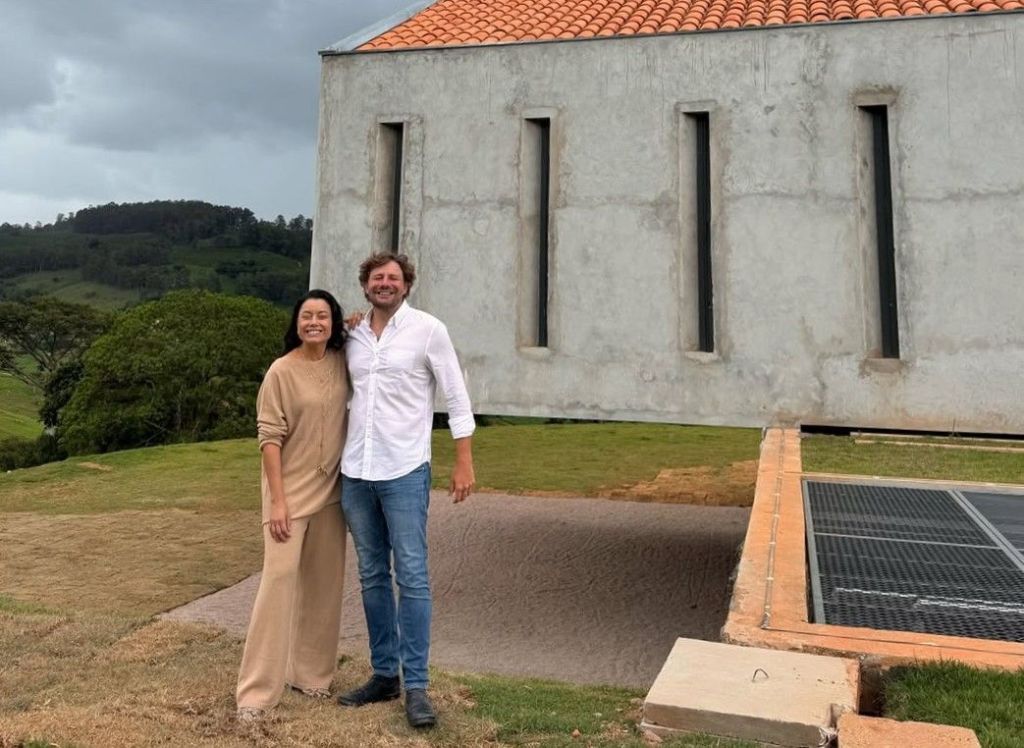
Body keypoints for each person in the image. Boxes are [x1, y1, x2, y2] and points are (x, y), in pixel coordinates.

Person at [337, 252, 476, 729]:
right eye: (377, 277)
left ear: (407, 285)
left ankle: (416, 685)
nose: (385, 283)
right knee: (372, 575)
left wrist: (463, 460)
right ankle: (383, 675)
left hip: (404, 470)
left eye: (393, 278)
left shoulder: (429, 330)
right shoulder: (351, 334)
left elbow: (456, 395)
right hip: (355, 472)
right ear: (365, 285)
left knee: (412, 576)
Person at [236, 289, 350, 723]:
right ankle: (256, 693)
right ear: (297, 323)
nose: (315, 322)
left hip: (331, 494)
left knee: (324, 586)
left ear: (334, 322)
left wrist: (357, 323)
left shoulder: (343, 360)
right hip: (287, 495)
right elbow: (269, 438)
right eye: (308, 316)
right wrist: (278, 502)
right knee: (278, 583)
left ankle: (312, 676)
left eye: (323, 316)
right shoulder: (280, 371)